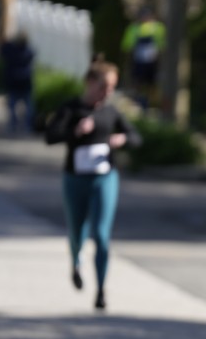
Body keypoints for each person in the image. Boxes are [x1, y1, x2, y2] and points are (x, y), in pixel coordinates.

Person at [45, 59, 141, 311]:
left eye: (112, 87)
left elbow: (136, 137)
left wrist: (122, 139)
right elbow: (50, 136)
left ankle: (100, 290)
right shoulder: (71, 108)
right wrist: (75, 131)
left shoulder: (111, 112)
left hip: (104, 178)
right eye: (103, 86)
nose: (108, 92)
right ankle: (76, 262)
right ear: (89, 83)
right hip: (75, 179)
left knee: (101, 235)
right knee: (77, 232)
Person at [120, 7, 166, 109]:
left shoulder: (158, 28)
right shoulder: (134, 28)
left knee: (152, 84)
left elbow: (162, 46)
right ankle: (137, 101)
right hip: (138, 61)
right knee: (137, 82)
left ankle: (152, 103)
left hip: (153, 62)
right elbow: (127, 46)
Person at [0, 31, 36, 133]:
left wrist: (7, 41)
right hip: (25, 82)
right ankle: (28, 125)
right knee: (28, 107)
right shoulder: (28, 51)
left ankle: (14, 125)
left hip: (14, 82)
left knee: (12, 106)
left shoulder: (11, 50)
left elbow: (2, 53)